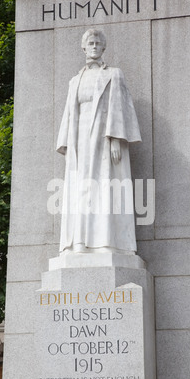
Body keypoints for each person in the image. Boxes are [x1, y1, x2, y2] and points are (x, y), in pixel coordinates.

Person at [56, 28, 141, 254]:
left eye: (97, 43)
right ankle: (79, 243)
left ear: (103, 48)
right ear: (83, 47)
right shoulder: (74, 80)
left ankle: (105, 242)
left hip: (104, 136)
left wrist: (115, 138)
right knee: (80, 190)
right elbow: (69, 112)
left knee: (105, 187)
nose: (94, 46)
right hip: (79, 139)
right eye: (90, 43)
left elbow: (120, 108)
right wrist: (66, 143)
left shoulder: (114, 74)